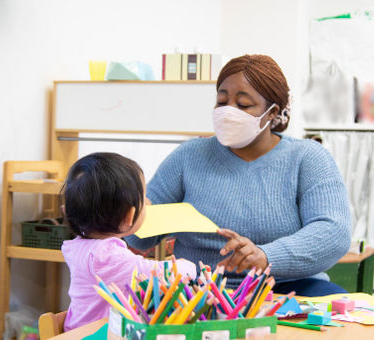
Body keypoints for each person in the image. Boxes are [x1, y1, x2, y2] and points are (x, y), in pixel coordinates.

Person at [126, 54, 351, 296]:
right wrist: (129, 212)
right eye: (221, 102)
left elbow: (333, 233)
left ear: (272, 112)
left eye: (243, 105)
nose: (228, 112)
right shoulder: (188, 156)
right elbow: (138, 238)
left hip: (287, 287)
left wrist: (266, 256)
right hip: (201, 291)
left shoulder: (308, 158)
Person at [61, 152, 196, 331]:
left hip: (81, 331)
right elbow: (155, 274)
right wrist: (187, 267)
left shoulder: (79, 246)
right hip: (96, 335)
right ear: (129, 216)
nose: (148, 202)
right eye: (144, 197)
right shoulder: (105, 255)